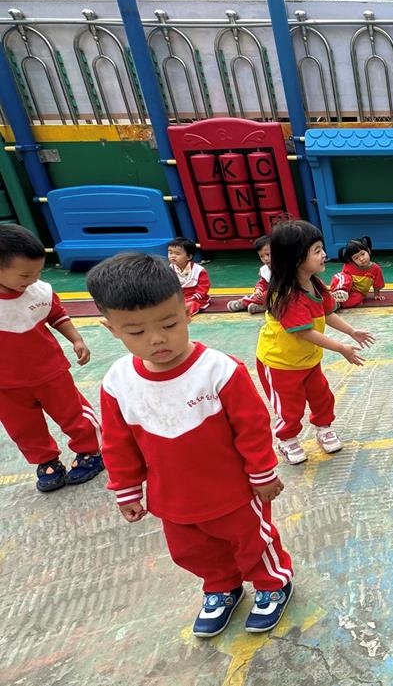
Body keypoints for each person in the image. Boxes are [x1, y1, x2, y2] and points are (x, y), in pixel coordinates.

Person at [86, 253, 293, 637]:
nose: (156, 339)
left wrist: (262, 474)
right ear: (111, 328)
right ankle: (221, 586)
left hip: (233, 491)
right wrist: (126, 490)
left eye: (169, 323)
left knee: (252, 541)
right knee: (191, 551)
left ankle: (272, 583)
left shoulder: (218, 370)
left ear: (187, 310)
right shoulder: (118, 381)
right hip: (172, 498)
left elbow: (252, 427)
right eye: (136, 331)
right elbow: (117, 443)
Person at [256, 220, 375, 465]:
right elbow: (304, 332)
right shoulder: (286, 295)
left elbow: (327, 314)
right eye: (317, 250)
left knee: (322, 397)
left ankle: (324, 428)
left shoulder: (316, 284)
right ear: (296, 258)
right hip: (280, 364)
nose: (324, 255)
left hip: (308, 360)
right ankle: (287, 440)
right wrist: (341, 348)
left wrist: (351, 331)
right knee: (289, 407)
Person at [0, 224, 103, 492]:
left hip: (50, 371)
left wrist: (76, 339)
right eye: (25, 275)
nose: (33, 280)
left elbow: (56, 315)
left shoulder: (38, 291)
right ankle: (46, 461)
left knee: (72, 413)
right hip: (6, 384)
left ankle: (91, 451)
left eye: (38, 272)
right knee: (23, 427)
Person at [330, 236, 385, 308]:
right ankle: (338, 292)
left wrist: (377, 295)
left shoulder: (376, 269)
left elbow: (377, 284)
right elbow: (342, 279)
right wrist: (342, 289)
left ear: (368, 251)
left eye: (362, 254)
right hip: (344, 288)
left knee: (358, 299)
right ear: (352, 260)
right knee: (344, 277)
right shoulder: (349, 265)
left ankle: (337, 304)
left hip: (357, 293)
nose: (361, 259)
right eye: (356, 258)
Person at [227, 235, 271, 314]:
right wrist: (258, 290)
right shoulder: (265, 269)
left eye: (268, 254)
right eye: (261, 256)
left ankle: (243, 303)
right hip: (271, 296)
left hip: (281, 296)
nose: (265, 259)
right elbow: (262, 283)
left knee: (266, 296)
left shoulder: (284, 267)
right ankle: (262, 307)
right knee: (258, 295)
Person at [168, 237, 210, 315]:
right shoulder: (169, 269)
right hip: (178, 297)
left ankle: (184, 315)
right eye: (170, 253)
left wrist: (195, 297)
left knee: (191, 304)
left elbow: (204, 286)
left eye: (177, 254)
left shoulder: (199, 270)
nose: (172, 256)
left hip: (195, 298)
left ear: (189, 257)